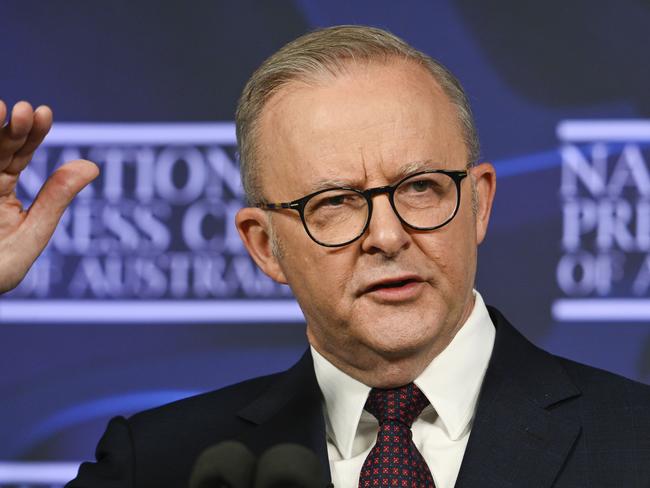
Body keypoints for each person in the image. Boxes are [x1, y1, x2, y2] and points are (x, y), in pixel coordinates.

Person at [2, 25, 649, 488]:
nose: (387, 236)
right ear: (265, 245)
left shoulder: (635, 443)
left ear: (478, 204)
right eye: (335, 201)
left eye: (420, 188)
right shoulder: (165, 463)